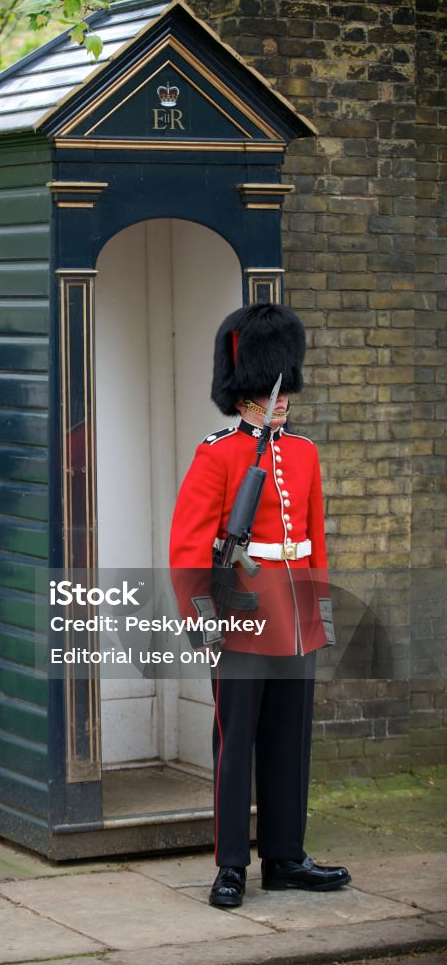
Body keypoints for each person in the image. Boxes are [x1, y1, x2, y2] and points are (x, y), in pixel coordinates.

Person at [169, 302, 350, 909]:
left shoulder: (303, 453)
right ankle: (229, 866)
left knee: (288, 741)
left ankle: (285, 857)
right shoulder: (218, 453)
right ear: (248, 389)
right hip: (242, 618)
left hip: (295, 617)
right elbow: (189, 547)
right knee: (235, 742)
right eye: (273, 389)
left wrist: (320, 612)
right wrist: (206, 622)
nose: (282, 399)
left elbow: (314, 539)